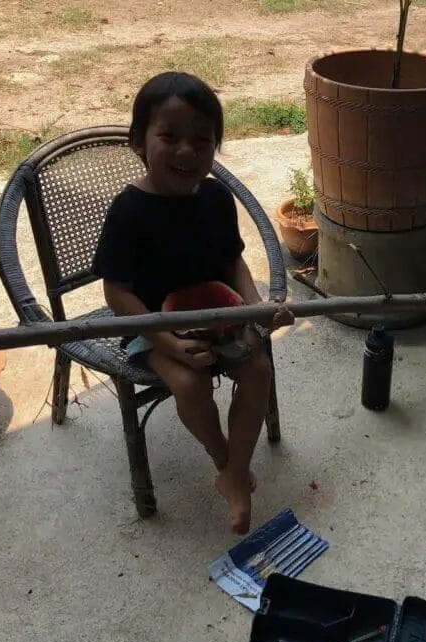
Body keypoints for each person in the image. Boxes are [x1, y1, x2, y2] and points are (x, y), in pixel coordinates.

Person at [92, 72, 293, 535]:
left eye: (202, 141)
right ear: (139, 141)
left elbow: (233, 263)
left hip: (219, 313)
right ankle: (228, 463)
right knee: (189, 383)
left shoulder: (217, 197)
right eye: (169, 137)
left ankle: (234, 471)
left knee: (259, 369)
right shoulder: (128, 211)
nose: (187, 151)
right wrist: (166, 340)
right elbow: (117, 292)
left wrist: (256, 305)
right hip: (152, 324)